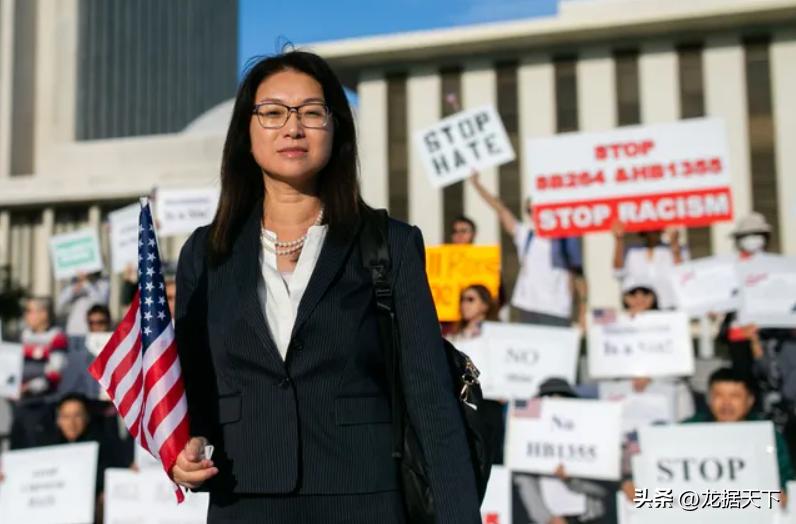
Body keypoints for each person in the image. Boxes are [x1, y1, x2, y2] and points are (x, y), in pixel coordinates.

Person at [170, 50, 480, 523]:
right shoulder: (204, 252)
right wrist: (182, 448)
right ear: (244, 133)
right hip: (243, 497)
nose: (292, 128)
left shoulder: (390, 243)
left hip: (364, 496)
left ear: (336, 130)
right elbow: (190, 385)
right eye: (273, 113)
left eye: (312, 113)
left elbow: (429, 396)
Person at [470, 174, 586, 327]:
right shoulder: (526, 235)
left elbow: (578, 277)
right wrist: (477, 185)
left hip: (557, 311)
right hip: (528, 308)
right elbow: (500, 209)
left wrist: (582, 313)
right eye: (531, 210)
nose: (535, 214)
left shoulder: (564, 239)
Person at [513, 378, 609, 524]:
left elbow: (603, 487)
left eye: (562, 399)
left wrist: (571, 480)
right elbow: (524, 481)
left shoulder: (591, 437)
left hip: (589, 518)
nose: (555, 404)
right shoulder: (528, 439)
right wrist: (547, 518)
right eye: (549, 399)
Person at [10, 297, 68, 449]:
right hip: (19, 405)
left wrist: (28, 387)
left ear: (43, 314)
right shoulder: (22, 336)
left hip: (42, 406)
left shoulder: (57, 337)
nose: (26, 315)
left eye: (30, 311)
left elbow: (55, 374)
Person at [611, 222, 684, 310]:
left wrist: (674, 243)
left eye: (655, 229)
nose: (652, 233)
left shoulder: (671, 250)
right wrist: (618, 240)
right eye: (649, 230)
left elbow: (682, 272)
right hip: (637, 310)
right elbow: (618, 272)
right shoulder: (632, 251)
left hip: (668, 306)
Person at [55, 271, 110, 337]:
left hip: (93, 333)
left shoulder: (103, 282)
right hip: (72, 332)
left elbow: (101, 304)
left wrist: (86, 283)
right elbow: (59, 305)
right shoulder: (72, 282)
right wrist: (72, 290)